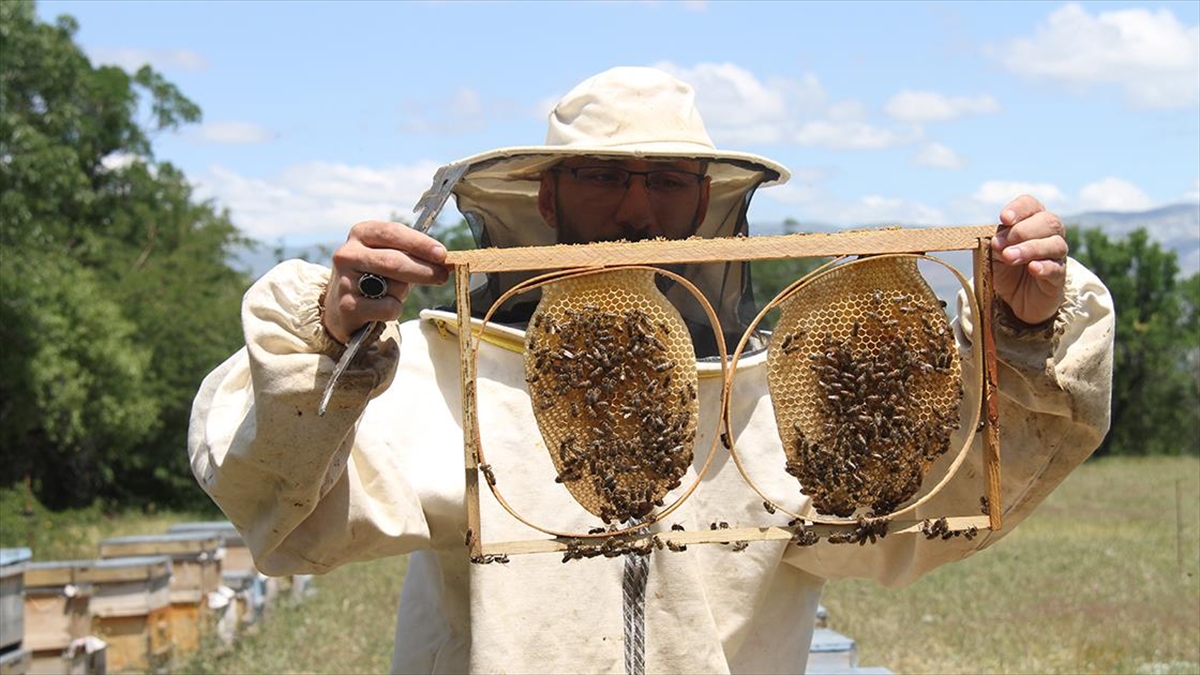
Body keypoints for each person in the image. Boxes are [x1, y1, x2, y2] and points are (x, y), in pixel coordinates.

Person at [188, 67, 1114, 674]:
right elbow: (280, 502)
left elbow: (919, 516)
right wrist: (328, 339)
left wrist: (1019, 335)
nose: (635, 205)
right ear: (548, 195)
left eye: (666, 179)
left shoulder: (768, 397)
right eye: (604, 175)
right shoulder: (458, 376)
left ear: (707, 205)